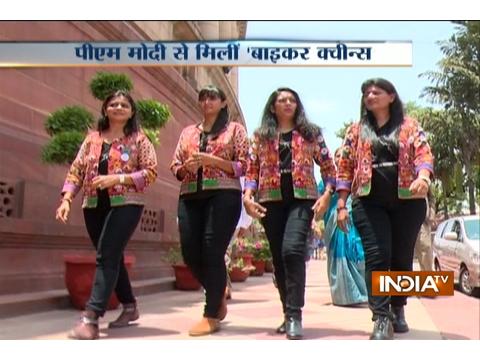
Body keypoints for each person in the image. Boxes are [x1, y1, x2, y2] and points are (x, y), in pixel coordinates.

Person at [55, 90, 158, 340]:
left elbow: (151, 173)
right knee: (111, 256)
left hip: (127, 204)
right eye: (113, 104)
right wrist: (67, 199)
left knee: (107, 254)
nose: (119, 107)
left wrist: (118, 178)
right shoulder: (92, 139)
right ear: (105, 109)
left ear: (132, 111)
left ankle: (91, 318)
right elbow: (77, 169)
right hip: (93, 204)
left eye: (124, 104)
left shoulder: (140, 140)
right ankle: (130, 306)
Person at [336, 78, 434, 340]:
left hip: (408, 201)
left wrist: (423, 177)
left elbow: (424, 154)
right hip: (369, 201)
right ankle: (380, 317)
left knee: (401, 258)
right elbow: (345, 167)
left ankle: (398, 307)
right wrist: (342, 204)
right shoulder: (356, 131)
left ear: (391, 96)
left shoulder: (409, 126)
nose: (370, 95)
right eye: (366, 92)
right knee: (377, 256)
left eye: (376, 91)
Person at [243, 87, 336, 340]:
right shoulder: (260, 136)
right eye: (281, 100)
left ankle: (295, 314)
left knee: (292, 251)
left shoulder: (311, 134)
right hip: (269, 201)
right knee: (279, 257)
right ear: (272, 107)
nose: (287, 103)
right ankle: (287, 311)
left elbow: (329, 167)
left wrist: (327, 194)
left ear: (297, 105)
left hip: (302, 199)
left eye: (291, 100)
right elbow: (251, 169)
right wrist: (248, 196)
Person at [170, 85, 248, 336]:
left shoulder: (234, 130)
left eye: (212, 97)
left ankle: (211, 312)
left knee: (212, 250)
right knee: (190, 252)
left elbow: (245, 164)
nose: (206, 102)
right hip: (191, 194)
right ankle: (218, 289)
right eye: (203, 98)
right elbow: (175, 165)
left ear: (223, 103)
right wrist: (186, 168)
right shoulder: (188, 132)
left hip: (223, 195)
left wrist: (214, 161)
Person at [319, 148, 368, 306]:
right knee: (339, 258)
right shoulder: (327, 183)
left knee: (357, 255)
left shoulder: (357, 180)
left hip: (355, 226)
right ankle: (342, 296)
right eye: (337, 156)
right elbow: (319, 203)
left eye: (343, 156)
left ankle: (361, 294)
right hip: (334, 228)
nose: (340, 159)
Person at [414, 189, 436, 271]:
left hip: (422, 221)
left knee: (425, 252)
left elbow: (431, 197)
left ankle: (427, 281)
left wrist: (431, 214)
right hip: (399, 217)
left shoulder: (422, 175)